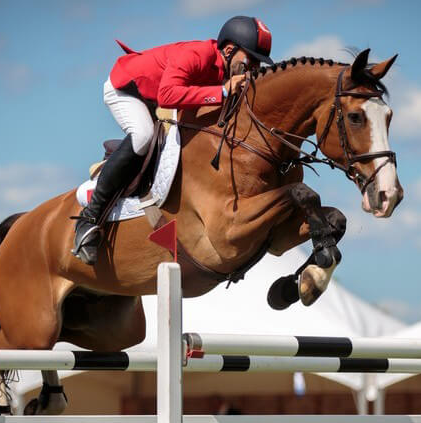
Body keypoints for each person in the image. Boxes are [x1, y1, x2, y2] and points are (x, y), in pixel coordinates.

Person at [72, 16, 275, 264]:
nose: (254, 69)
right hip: (125, 89)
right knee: (144, 134)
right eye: (251, 60)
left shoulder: (225, 68)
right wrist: (222, 91)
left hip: (155, 97)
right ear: (230, 50)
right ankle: (90, 219)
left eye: (258, 64)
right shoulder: (197, 55)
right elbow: (167, 95)